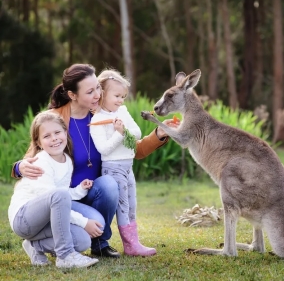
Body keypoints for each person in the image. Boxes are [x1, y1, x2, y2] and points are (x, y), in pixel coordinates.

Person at [11, 63, 174, 258]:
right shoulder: (55, 119)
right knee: (89, 224)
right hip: (66, 197)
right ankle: (47, 241)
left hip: (90, 190)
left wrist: (158, 134)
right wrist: (19, 167)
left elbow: (133, 150)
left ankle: (100, 243)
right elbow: (36, 155)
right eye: (90, 91)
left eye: (98, 87)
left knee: (109, 184)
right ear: (73, 95)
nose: (98, 94)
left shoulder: (103, 115)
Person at [8, 111, 100, 268]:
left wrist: (79, 190)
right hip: (24, 219)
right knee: (61, 198)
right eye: (47, 136)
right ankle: (65, 256)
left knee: (82, 240)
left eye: (57, 132)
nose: (54, 138)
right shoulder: (41, 162)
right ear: (38, 142)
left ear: (65, 132)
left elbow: (61, 199)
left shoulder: (66, 161)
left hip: (45, 222)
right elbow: (57, 196)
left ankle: (35, 246)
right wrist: (84, 222)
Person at [90, 69, 156, 256]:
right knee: (123, 206)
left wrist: (123, 129)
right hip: (113, 168)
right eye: (116, 95)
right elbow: (104, 149)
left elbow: (137, 133)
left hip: (128, 166)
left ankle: (133, 244)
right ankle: (130, 245)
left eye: (123, 97)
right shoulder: (98, 120)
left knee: (132, 203)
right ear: (102, 94)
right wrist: (119, 134)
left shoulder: (123, 112)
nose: (120, 100)